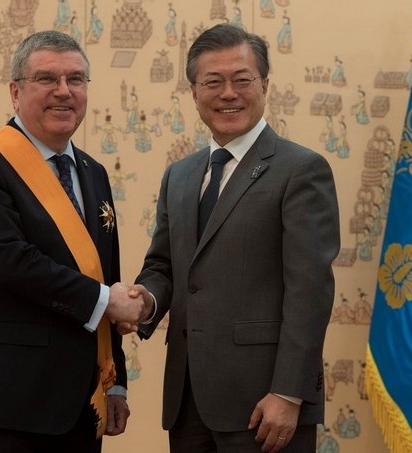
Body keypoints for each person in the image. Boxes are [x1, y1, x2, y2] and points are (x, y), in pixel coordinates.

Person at [126, 23, 340, 452]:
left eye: (242, 80)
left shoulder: (300, 170)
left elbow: (310, 290)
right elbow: (164, 266)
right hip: (187, 401)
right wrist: (145, 300)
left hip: (265, 404)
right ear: (194, 93)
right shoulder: (180, 175)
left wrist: (288, 392)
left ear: (264, 85)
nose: (228, 93)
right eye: (213, 82)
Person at [0, 30, 148, 453]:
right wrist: (107, 300)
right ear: (15, 92)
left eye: (76, 79)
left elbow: (103, 276)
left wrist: (114, 381)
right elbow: (10, 262)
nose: (63, 91)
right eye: (47, 79)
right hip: (1, 406)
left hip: (80, 405)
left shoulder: (93, 172)